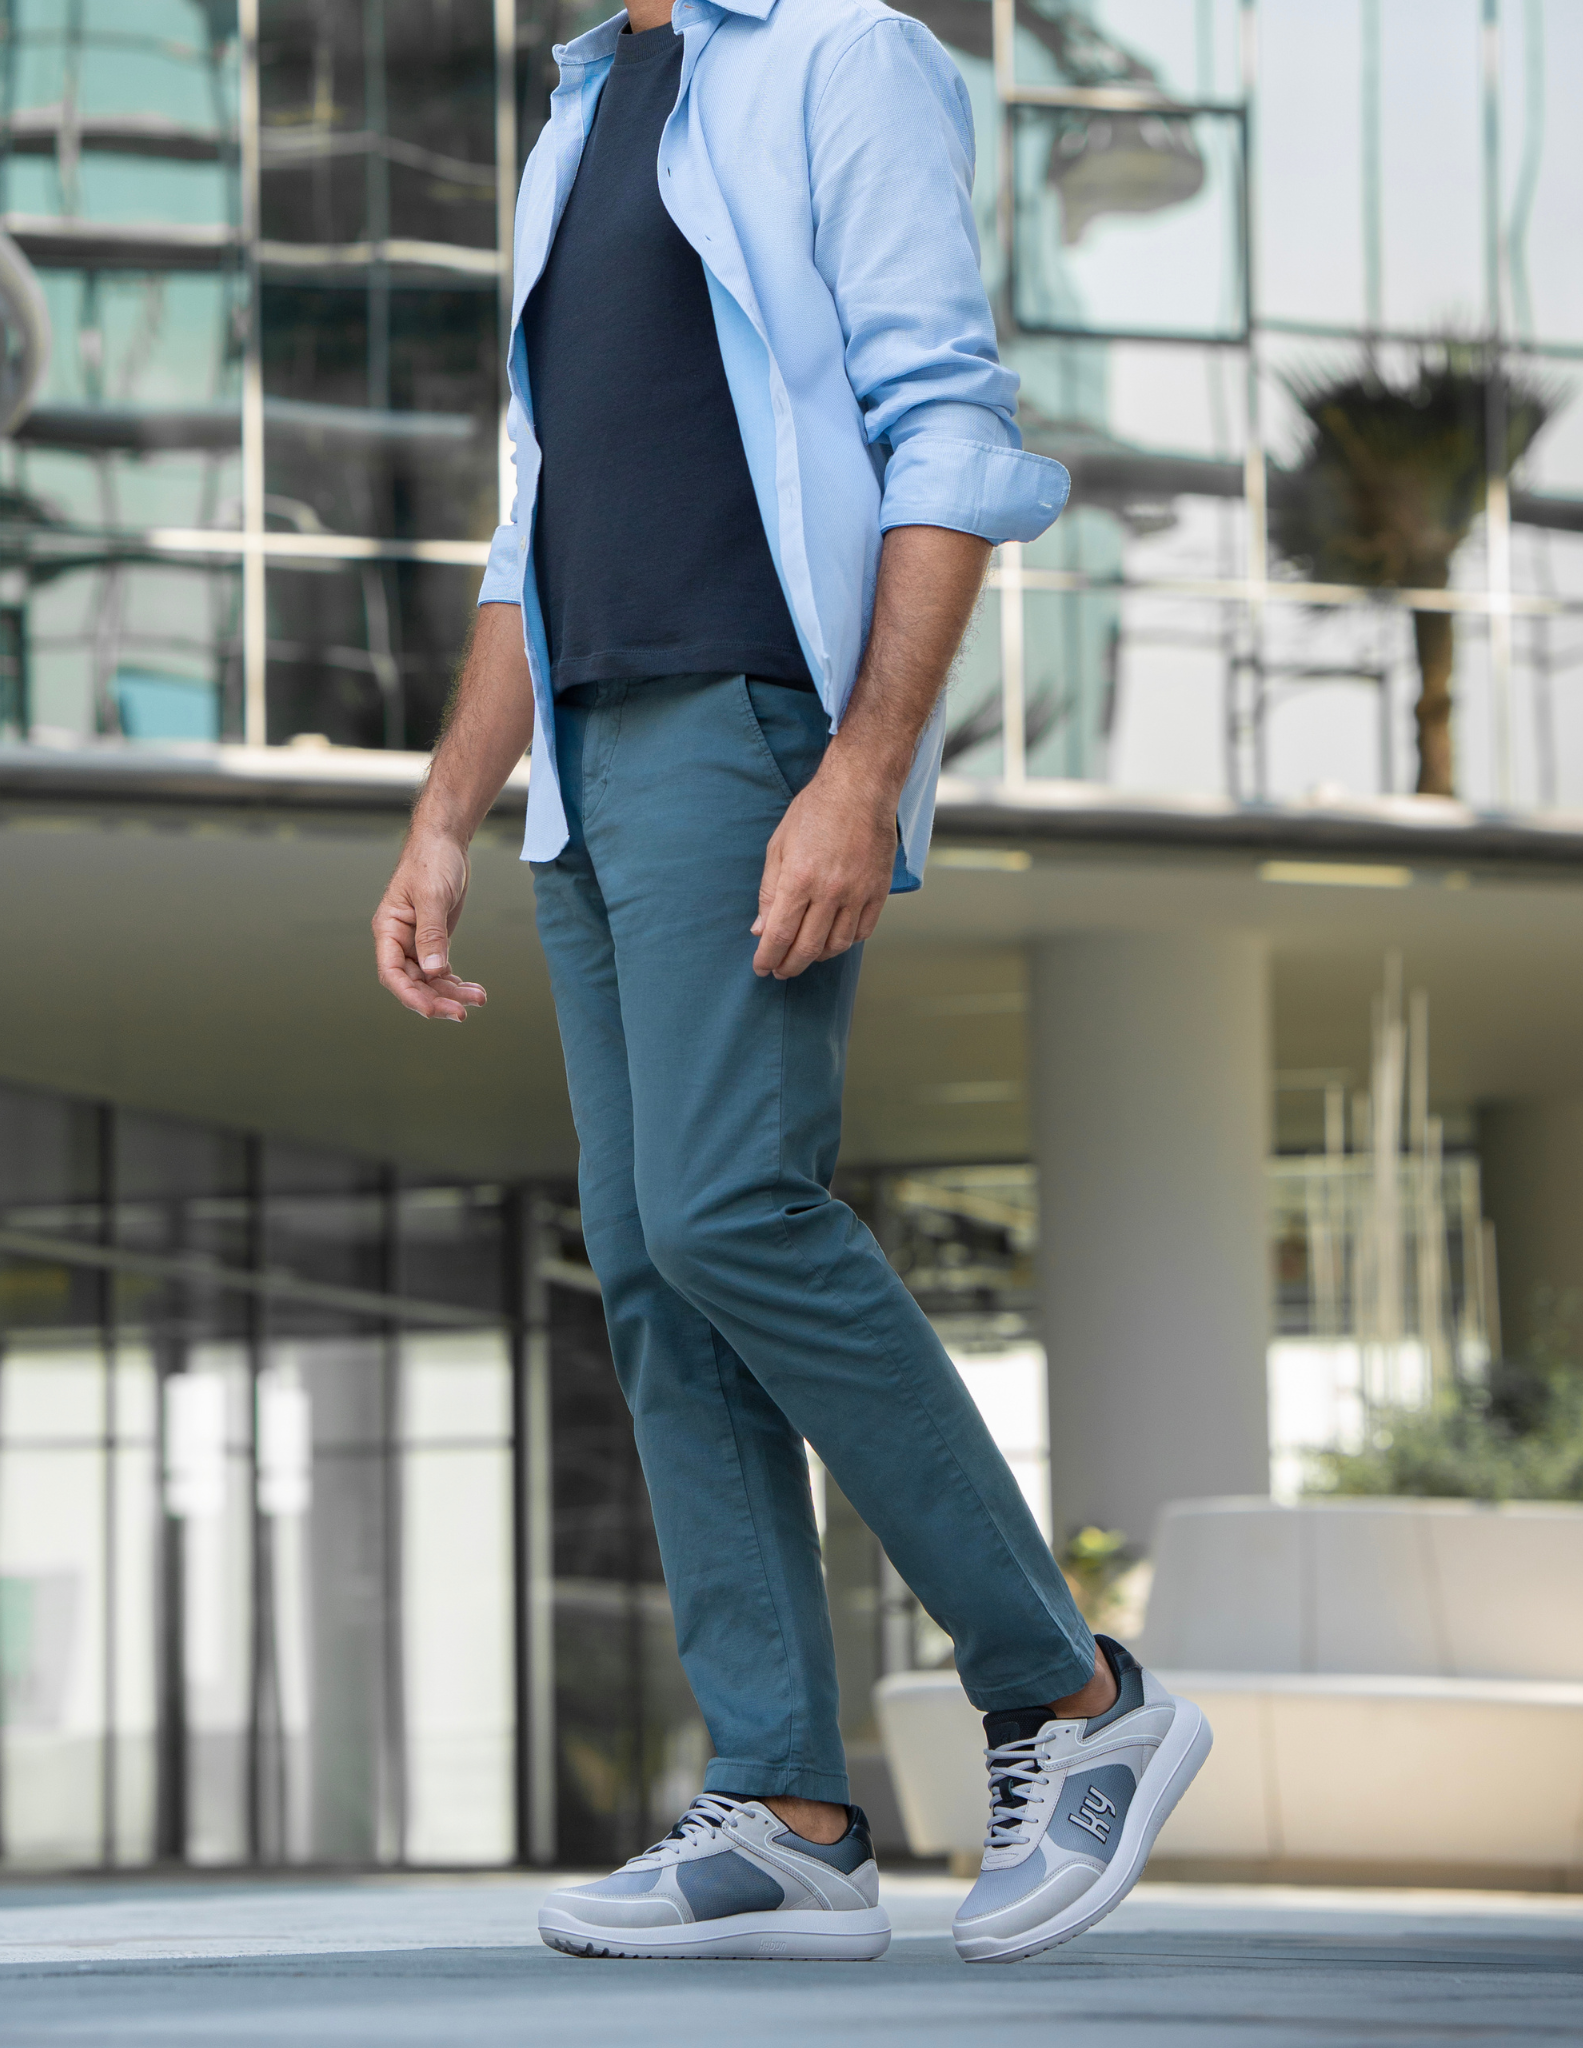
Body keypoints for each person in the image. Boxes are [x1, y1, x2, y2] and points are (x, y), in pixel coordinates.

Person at [371, 0, 1210, 1965]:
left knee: (735, 1204)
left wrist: (859, 762)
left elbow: (947, 424)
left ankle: (1078, 1697)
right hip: (585, 751)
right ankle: (790, 1803)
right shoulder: (580, 107)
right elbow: (533, 516)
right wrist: (442, 812)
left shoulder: (842, 54)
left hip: (749, 726)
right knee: (654, 1259)